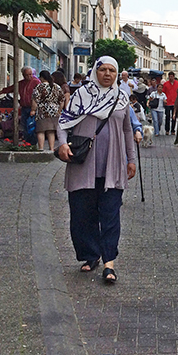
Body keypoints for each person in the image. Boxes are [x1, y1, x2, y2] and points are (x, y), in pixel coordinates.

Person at [56, 56, 136, 284]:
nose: (108, 74)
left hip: (113, 165)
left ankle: (109, 263)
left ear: (117, 74)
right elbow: (64, 123)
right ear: (95, 71)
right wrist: (62, 144)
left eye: (112, 70)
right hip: (83, 165)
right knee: (82, 215)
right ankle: (91, 255)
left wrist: (131, 159)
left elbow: (127, 130)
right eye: (103, 70)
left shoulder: (121, 98)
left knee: (110, 215)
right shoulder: (81, 96)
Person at [0, 66, 40, 131]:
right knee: (23, 124)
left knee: (32, 124)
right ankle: (25, 138)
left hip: (33, 108)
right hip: (24, 107)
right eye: (27, 75)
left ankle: (31, 139)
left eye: (30, 74)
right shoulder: (21, 83)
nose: (29, 76)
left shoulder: (36, 82)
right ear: (23, 75)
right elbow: (10, 88)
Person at [31, 70, 65, 151]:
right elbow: (62, 100)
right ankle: (51, 148)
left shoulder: (39, 87)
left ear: (42, 78)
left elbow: (35, 100)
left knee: (41, 130)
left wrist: (33, 110)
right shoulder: (56, 87)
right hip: (54, 111)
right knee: (51, 131)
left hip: (42, 111)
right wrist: (59, 110)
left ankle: (41, 148)